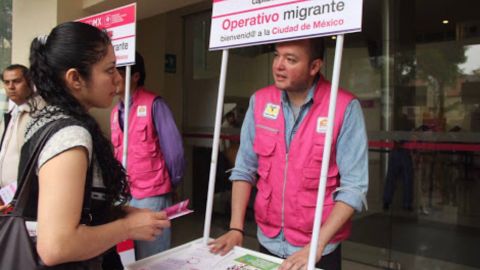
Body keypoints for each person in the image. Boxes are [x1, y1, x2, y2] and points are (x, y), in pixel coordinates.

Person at [209, 38, 369, 270]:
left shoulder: (343, 106)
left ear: (314, 67)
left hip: (318, 248)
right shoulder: (260, 101)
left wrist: (317, 245)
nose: (278, 65)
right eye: (277, 55)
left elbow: (354, 187)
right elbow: (245, 169)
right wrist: (236, 228)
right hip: (268, 240)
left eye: (290, 59)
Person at [22, 21, 170, 269]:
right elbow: (57, 247)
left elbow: (76, 209)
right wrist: (127, 228)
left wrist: (116, 213)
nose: (117, 79)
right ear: (75, 78)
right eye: (110, 70)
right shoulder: (69, 137)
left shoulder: (46, 120)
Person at [110, 52, 185, 259]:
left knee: (152, 254)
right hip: (124, 193)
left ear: (135, 76)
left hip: (152, 193)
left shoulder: (155, 104)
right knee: (125, 254)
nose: (113, 79)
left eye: (118, 73)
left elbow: (174, 151)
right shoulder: (115, 111)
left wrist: (173, 185)